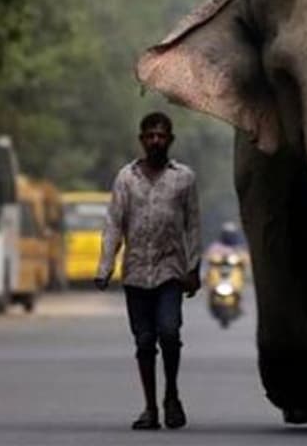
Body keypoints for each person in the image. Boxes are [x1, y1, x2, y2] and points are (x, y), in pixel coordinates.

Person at [96, 112, 202, 431]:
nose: (156, 140)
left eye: (161, 135)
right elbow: (114, 224)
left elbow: (193, 225)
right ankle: (150, 408)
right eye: (150, 135)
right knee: (144, 341)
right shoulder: (126, 178)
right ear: (142, 139)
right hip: (136, 272)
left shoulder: (184, 178)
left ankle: (172, 395)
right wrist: (105, 267)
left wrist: (194, 268)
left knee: (169, 333)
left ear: (170, 139)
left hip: (171, 271)